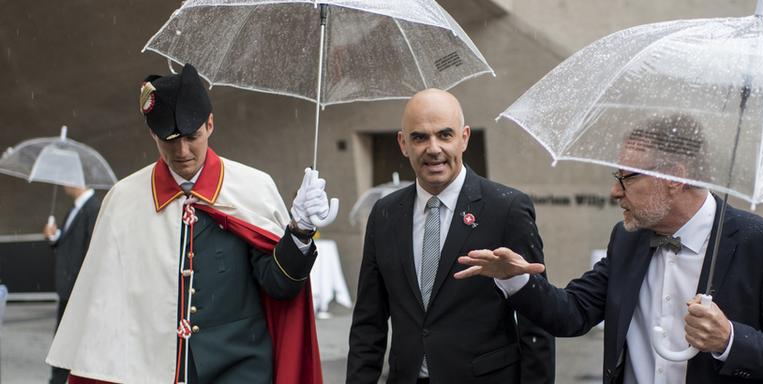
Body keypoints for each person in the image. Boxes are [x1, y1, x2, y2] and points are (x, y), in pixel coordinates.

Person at [456, 114, 763, 383]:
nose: (615, 191)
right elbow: (573, 312)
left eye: (627, 177)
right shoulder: (628, 238)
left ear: (676, 178)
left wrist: (730, 340)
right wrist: (515, 280)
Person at [45, 63, 331, 383]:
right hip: (150, 371)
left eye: (192, 136)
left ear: (210, 124)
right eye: (169, 139)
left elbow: (279, 286)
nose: (182, 151)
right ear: (153, 134)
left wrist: (300, 232)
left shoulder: (253, 187)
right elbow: (104, 305)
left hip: (240, 369)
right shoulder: (124, 199)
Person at [347, 88, 555, 384]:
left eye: (445, 135)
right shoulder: (385, 214)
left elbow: (537, 320)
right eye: (420, 137)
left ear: (464, 137)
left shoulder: (506, 208)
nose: (433, 149)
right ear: (403, 143)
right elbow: (369, 322)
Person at [42, 185, 100, 384]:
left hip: (78, 290)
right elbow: (70, 244)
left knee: (69, 342)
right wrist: (55, 237)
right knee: (63, 341)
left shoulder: (93, 208)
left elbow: (92, 250)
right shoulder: (74, 208)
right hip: (68, 289)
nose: (64, 183)